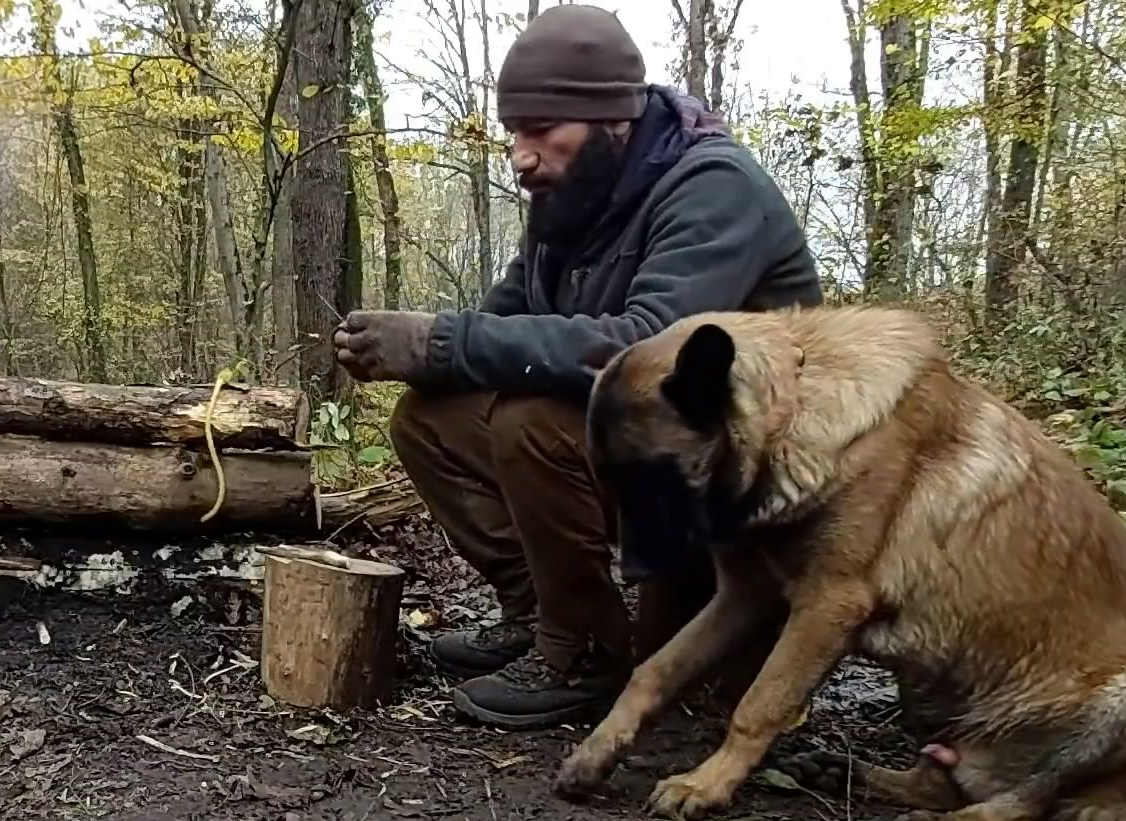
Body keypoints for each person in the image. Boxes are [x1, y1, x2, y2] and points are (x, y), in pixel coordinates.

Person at [333, 4, 822, 731]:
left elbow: (649, 348)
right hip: (656, 460)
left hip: (747, 478)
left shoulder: (713, 187)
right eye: (512, 132)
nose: (520, 155)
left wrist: (440, 341)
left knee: (536, 422)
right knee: (432, 421)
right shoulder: (574, 196)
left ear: (613, 120)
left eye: (541, 131)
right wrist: (407, 349)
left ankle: (587, 651)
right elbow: (506, 318)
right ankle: (543, 615)